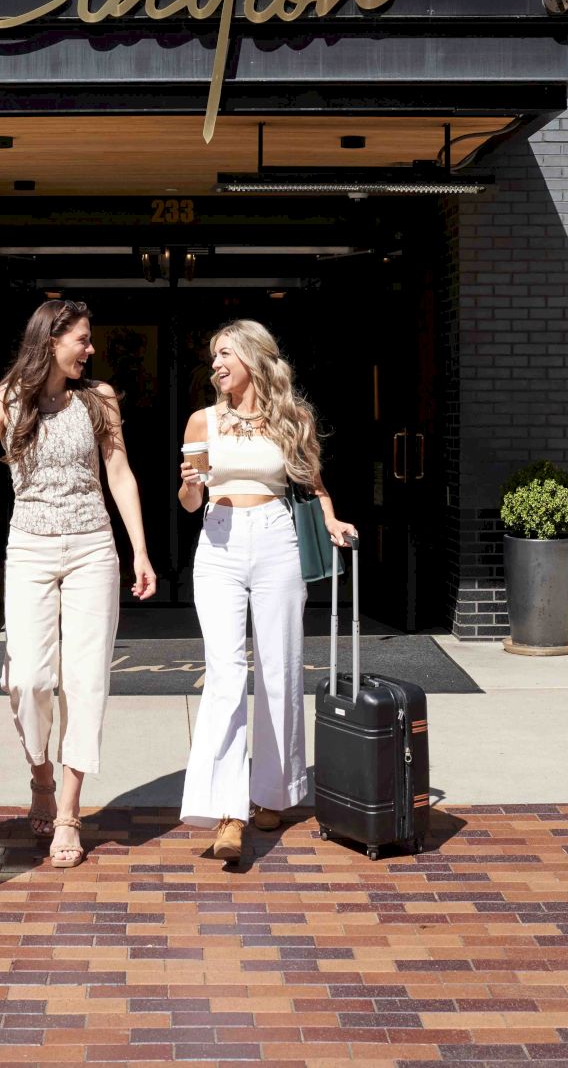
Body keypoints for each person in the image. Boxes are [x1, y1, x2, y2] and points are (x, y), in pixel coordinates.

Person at [0, 300, 157, 870]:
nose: (90, 349)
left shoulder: (98, 400)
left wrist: (140, 551)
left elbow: (120, 474)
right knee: (28, 677)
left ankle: (69, 814)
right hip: (29, 546)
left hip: (92, 549)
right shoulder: (3, 401)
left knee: (85, 682)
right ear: (50, 340)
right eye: (82, 339)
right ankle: (40, 773)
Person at [176, 319, 355, 862]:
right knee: (227, 674)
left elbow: (313, 482)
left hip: (276, 536)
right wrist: (189, 483)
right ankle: (229, 812)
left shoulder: (291, 418)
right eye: (212, 358)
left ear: (253, 357)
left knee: (280, 667)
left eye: (224, 354)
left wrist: (331, 520)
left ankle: (273, 793)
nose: (215, 365)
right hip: (220, 539)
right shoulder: (202, 420)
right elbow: (187, 504)